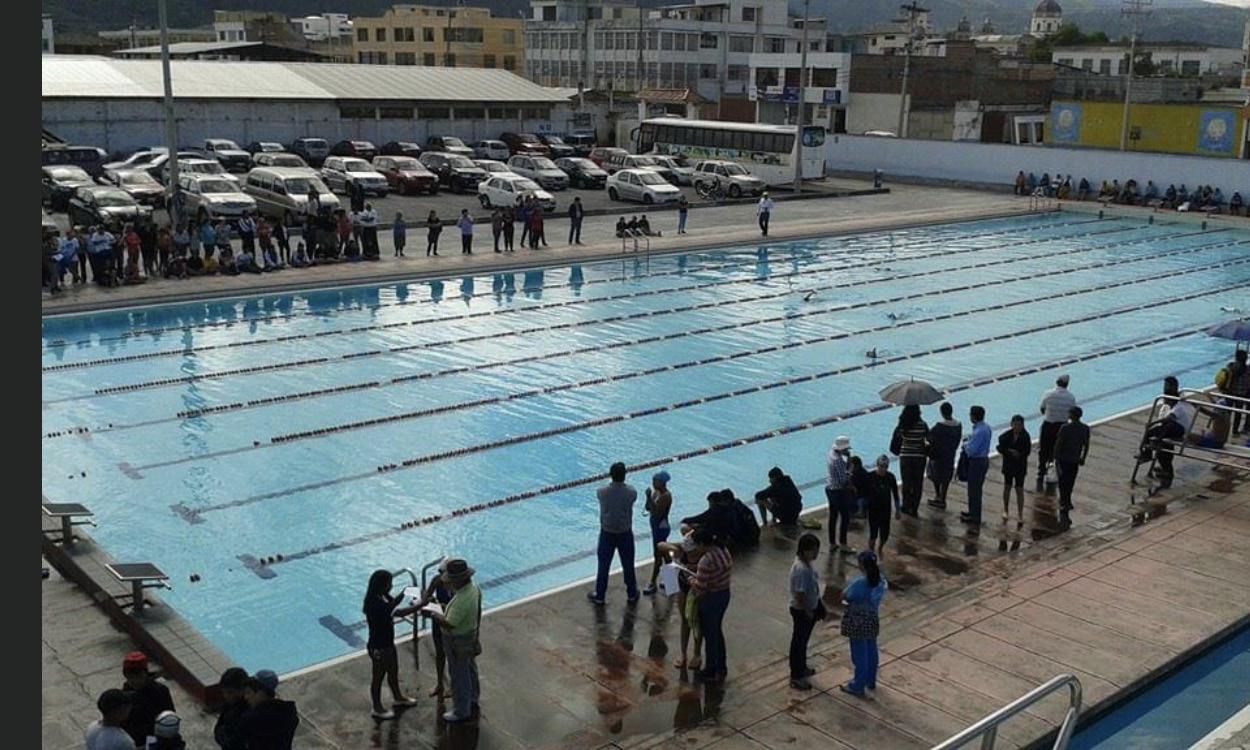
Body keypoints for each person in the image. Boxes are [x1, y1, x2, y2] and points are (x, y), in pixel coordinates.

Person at [425, 558, 482, 724]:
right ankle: (473, 698)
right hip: (469, 634)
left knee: (458, 675)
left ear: (457, 580)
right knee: (470, 670)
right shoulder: (474, 589)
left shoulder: (461, 600)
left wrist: (433, 614)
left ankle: (461, 710)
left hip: (457, 640)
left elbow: (450, 623)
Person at [363, 570, 421, 719]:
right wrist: (421, 604)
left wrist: (405, 592)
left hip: (388, 643)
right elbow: (398, 612)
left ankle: (398, 697)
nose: (391, 586)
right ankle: (377, 708)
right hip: (378, 646)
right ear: (382, 585)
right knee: (378, 677)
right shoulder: (375, 604)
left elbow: (393, 603)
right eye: (389, 584)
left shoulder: (382, 596)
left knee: (393, 672)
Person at [588, 462, 639, 605]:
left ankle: (600, 595)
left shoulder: (602, 492)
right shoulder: (631, 492)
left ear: (611, 475)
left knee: (603, 566)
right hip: (624, 532)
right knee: (628, 565)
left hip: (607, 533)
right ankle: (632, 593)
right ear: (624, 475)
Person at [657, 525, 705, 670]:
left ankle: (697, 653)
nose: (691, 555)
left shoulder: (705, 555)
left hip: (699, 586)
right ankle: (683, 653)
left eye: (693, 552)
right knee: (685, 619)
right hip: (684, 583)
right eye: (689, 552)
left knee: (697, 621)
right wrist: (677, 547)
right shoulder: (682, 551)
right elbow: (660, 545)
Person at [839, 551, 887, 697]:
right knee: (871, 648)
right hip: (872, 618)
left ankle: (857, 685)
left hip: (857, 620)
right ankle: (870, 680)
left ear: (861, 565)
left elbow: (846, 595)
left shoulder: (860, 583)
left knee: (859, 653)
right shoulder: (881, 581)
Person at [690, 527, 732, 684]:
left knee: (710, 635)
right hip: (723, 594)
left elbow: (700, 589)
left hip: (711, 599)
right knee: (717, 632)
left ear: (702, 543)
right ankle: (721, 667)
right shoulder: (723, 550)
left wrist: (691, 580)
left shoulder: (706, 561)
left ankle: (711, 669)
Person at [415, 560, 456, 698]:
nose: (440, 575)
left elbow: (456, 608)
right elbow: (427, 595)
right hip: (437, 620)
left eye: (442, 572)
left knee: (453, 656)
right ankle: (440, 684)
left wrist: (439, 606)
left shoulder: (457, 584)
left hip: (450, 621)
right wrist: (424, 601)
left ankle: (454, 686)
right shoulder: (437, 580)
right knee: (440, 654)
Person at [788, 533, 823, 690]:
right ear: (804, 550)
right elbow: (800, 593)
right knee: (799, 642)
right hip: (801, 610)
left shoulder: (808, 565)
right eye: (813, 550)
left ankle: (801, 667)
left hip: (810, 606)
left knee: (803, 641)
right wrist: (808, 610)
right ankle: (796, 675)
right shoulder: (801, 569)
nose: (815, 554)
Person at [120, 651, 175, 746]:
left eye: (138, 676)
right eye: (130, 677)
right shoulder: (124, 695)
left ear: (145, 674)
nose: (134, 681)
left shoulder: (160, 691)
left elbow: (169, 718)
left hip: (156, 738)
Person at [239, 670, 299, 750]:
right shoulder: (289, 713)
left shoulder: (250, 719)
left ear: (260, 693)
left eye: (248, 693)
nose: (246, 697)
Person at [1037, 374, 1076, 492]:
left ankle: (1041, 472)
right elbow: (1072, 413)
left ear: (1057, 382)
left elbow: (1042, 409)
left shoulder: (1048, 394)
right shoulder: (1071, 397)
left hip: (1048, 425)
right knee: (1058, 452)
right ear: (1067, 384)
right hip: (1062, 427)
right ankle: (1054, 472)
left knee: (1044, 450)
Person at [1053, 406, 1090, 528]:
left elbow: (1059, 443)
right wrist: (1083, 458)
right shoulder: (1085, 428)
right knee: (1071, 480)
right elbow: (1086, 445)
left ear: (1071, 415)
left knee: (1062, 481)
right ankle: (1067, 499)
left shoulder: (1065, 428)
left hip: (1064, 459)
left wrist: (1055, 458)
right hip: (1075, 459)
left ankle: (1064, 500)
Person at [890, 404, 929, 516]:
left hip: (906, 456)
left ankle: (906, 505)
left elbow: (896, 439)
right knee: (918, 483)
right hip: (920, 457)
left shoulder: (903, 425)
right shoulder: (923, 425)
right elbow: (929, 438)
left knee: (906, 483)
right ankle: (914, 507)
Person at [642, 470, 674, 596]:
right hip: (656, 528)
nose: (653, 483)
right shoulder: (656, 492)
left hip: (661, 528)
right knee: (665, 554)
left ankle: (652, 583)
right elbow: (648, 508)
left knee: (658, 555)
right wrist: (648, 497)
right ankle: (671, 581)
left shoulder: (666, 496)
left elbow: (657, 514)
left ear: (662, 482)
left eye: (655, 481)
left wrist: (649, 497)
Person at [927, 402, 962, 510]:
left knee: (935, 475)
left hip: (938, 455)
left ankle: (938, 496)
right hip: (950, 455)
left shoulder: (939, 426)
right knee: (946, 477)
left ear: (942, 413)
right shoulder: (958, 425)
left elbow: (929, 436)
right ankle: (943, 498)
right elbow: (957, 441)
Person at [997, 415, 1031, 523]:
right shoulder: (1006, 436)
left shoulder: (1025, 436)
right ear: (1011, 424)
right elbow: (1000, 447)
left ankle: (1020, 514)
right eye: (1015, 425)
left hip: (1020, 466)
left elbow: (1027, 451)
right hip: (1009, 465)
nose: (1017, 427)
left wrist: (1018, 454)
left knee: (1019, 489)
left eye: (1019, 425)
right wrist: (1010, 452)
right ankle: (1005, 510)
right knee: (1007, 487)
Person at [961, 405, 991, 528]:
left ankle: (975, 517)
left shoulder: (979, 432)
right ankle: (972, 512)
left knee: (974, 490)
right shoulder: (986, 427)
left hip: (977, 462)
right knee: (974, 489)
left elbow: (971, 451)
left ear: (973, 416)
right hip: (982, 460)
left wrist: (965, 444)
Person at [865, 455, 900, 556]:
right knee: (873, 533)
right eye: (881, 466)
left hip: (885, 510)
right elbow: (863, 492)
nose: (883, 469)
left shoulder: (890, 477)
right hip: (873, 509)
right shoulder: (870, 476)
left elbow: (896, 494)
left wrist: (898, 510)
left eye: (886, 466)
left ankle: (880, 547)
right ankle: (871, 551)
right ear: (877, 465)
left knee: (885, 534)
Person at [825, 436, 854, 553]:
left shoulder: (831, 454)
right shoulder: (838, 461)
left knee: (833, 517)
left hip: (829, 488)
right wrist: (850, 469)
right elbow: (844, 480)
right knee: (845, 517)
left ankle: (832, 543)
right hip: (838, 491)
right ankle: (843, 544)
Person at [214, 667, 249, 750]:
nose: (226, 696)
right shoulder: (229, 705)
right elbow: (218, 728)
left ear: (242, 690)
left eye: (230, 692)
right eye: (224, 692)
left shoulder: (248, 711)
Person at [1216, 349, 1248, 434]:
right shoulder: (1248, 369)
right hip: (1241, 394)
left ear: (1236, 357)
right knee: (1238, 413)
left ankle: (1225, 429)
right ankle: (1235, 431)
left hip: (1229, 392)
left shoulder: (1230, 366)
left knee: (1227, 412)